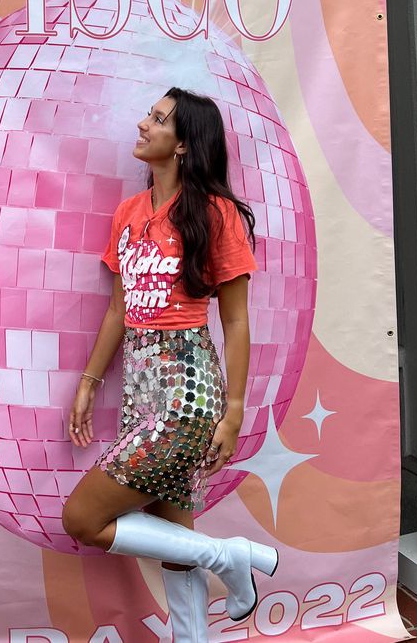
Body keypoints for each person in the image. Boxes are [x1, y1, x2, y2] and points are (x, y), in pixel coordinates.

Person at [61, 87, 278, 641]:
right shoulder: (129, 213)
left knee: (83, 520)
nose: (142, 124)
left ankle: (229, 556)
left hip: (187, 390)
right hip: (140, 390)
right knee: (172, 535)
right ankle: (205, 600)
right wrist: (89, 381)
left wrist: (233, 412)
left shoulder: (216, 214)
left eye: (157, 119)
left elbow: (235, 322)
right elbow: (118, 308)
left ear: (183, 145)